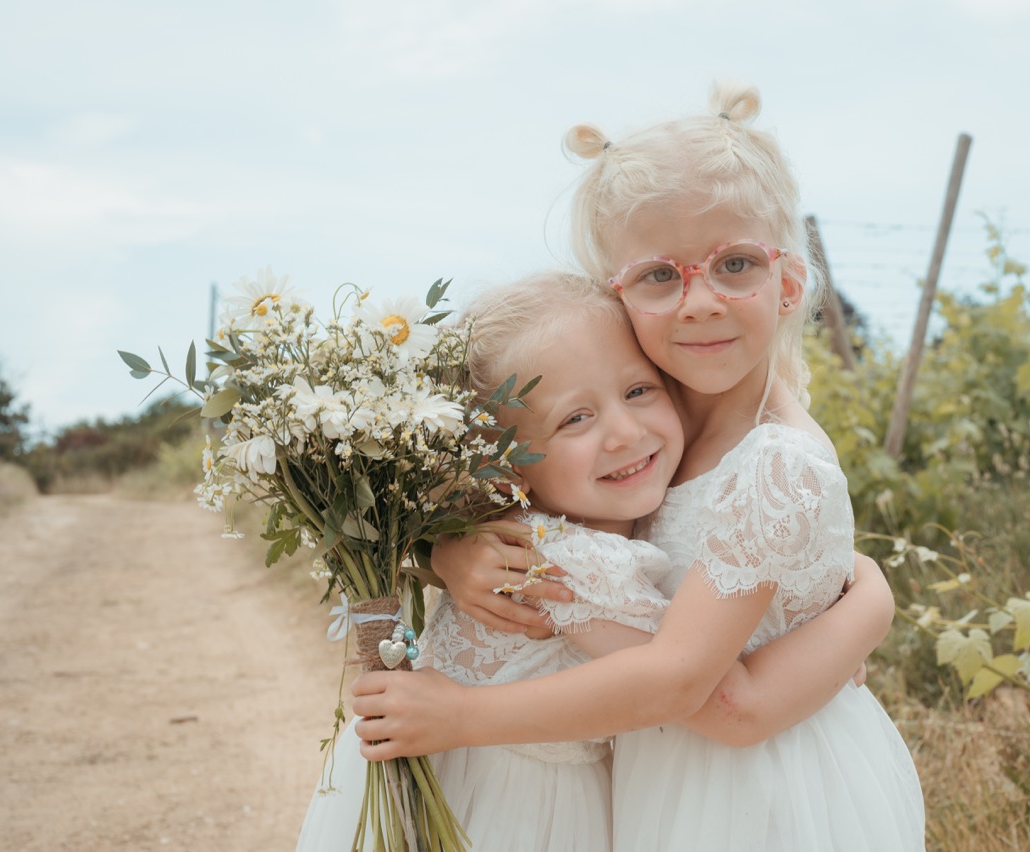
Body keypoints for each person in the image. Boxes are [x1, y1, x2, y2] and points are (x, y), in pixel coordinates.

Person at [353, 81, 925, 850]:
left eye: (736, 265)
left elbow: (722, 696)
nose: (699, 302)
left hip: (754, 790)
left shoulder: (778, 459)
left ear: (789, 283)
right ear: (616, 299)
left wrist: (872, 602)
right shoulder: (655, 419)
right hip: (654, 767)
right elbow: (554, 522)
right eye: (661, 275)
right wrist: (448, 550)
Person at [300, 270, 898, 851]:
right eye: (575, 418)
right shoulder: (566, 564)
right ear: (504, 469)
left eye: (639, 390)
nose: (622, 432)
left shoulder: (533, 538)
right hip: (516, 809)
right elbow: (696, 683)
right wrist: (866, 604)